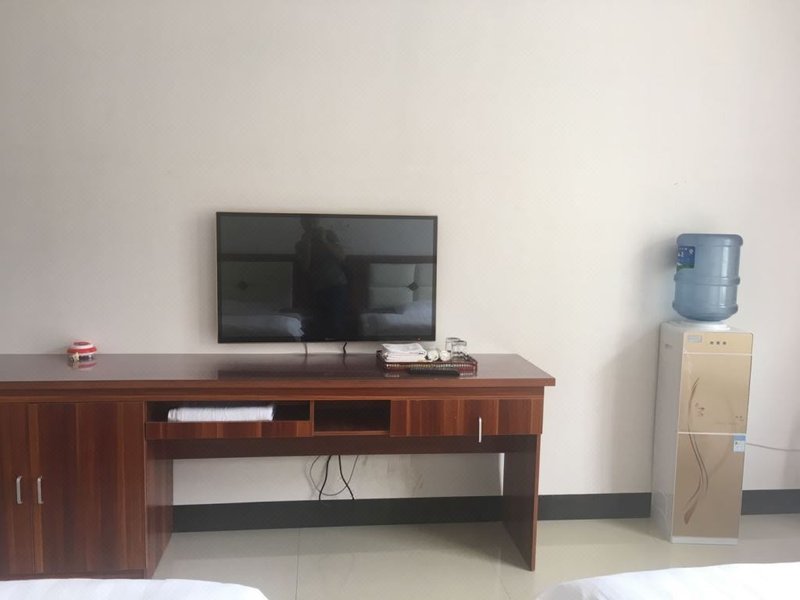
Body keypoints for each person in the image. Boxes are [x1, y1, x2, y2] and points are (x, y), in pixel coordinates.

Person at [295, 217, 349, 339]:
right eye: (308, 222)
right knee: (319, 325)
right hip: (317, 288)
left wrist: (324, 241)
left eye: (314, 221)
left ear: (318, 221)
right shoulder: (300, 243)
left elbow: (342, 257)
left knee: (336, 323)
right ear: (302, 223)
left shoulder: (330, 235)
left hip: (337, 285)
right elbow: (305, 267)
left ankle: (337, 347)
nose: (312, 225)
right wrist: (307, 244)